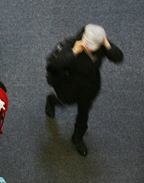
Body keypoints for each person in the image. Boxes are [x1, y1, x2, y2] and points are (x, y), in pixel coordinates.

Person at [45, 24, 124, 156]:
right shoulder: (70, 44)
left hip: (89, 87)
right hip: (69, 85)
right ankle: (51, 101)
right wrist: (73, 53)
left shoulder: (101, 46)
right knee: (65, 101)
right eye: (89, 45)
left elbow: (118, 57)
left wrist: (107, 43)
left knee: (84, 112)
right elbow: (54, 64)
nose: (91, 49)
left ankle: (78, 137)